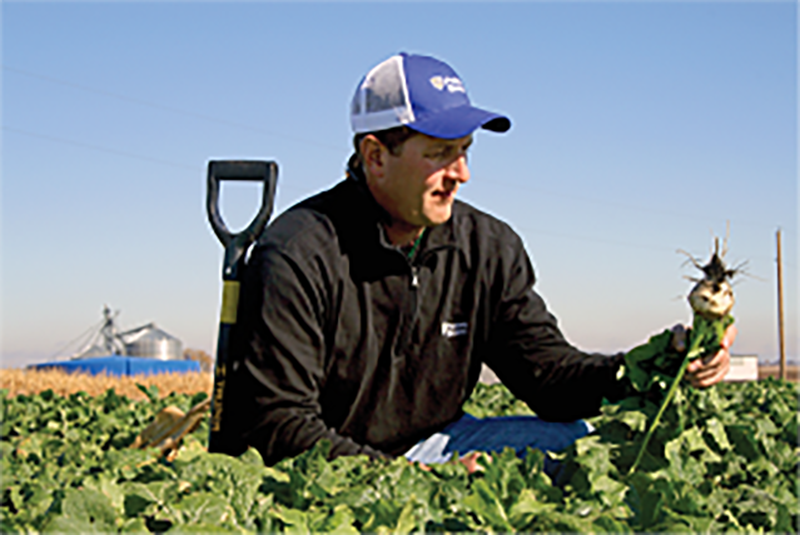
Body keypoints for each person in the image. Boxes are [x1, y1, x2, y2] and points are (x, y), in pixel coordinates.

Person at [216, 52, 735, 471]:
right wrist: (410, 481)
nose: (461, 173)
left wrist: (659, 363)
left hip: (439, 442)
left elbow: (550, 377)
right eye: (440, 153)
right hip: (331, 460)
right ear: (375, 156)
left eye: (465, 149)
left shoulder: (487, 247)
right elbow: (278, 424)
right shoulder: (299, 252)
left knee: (586, 446)